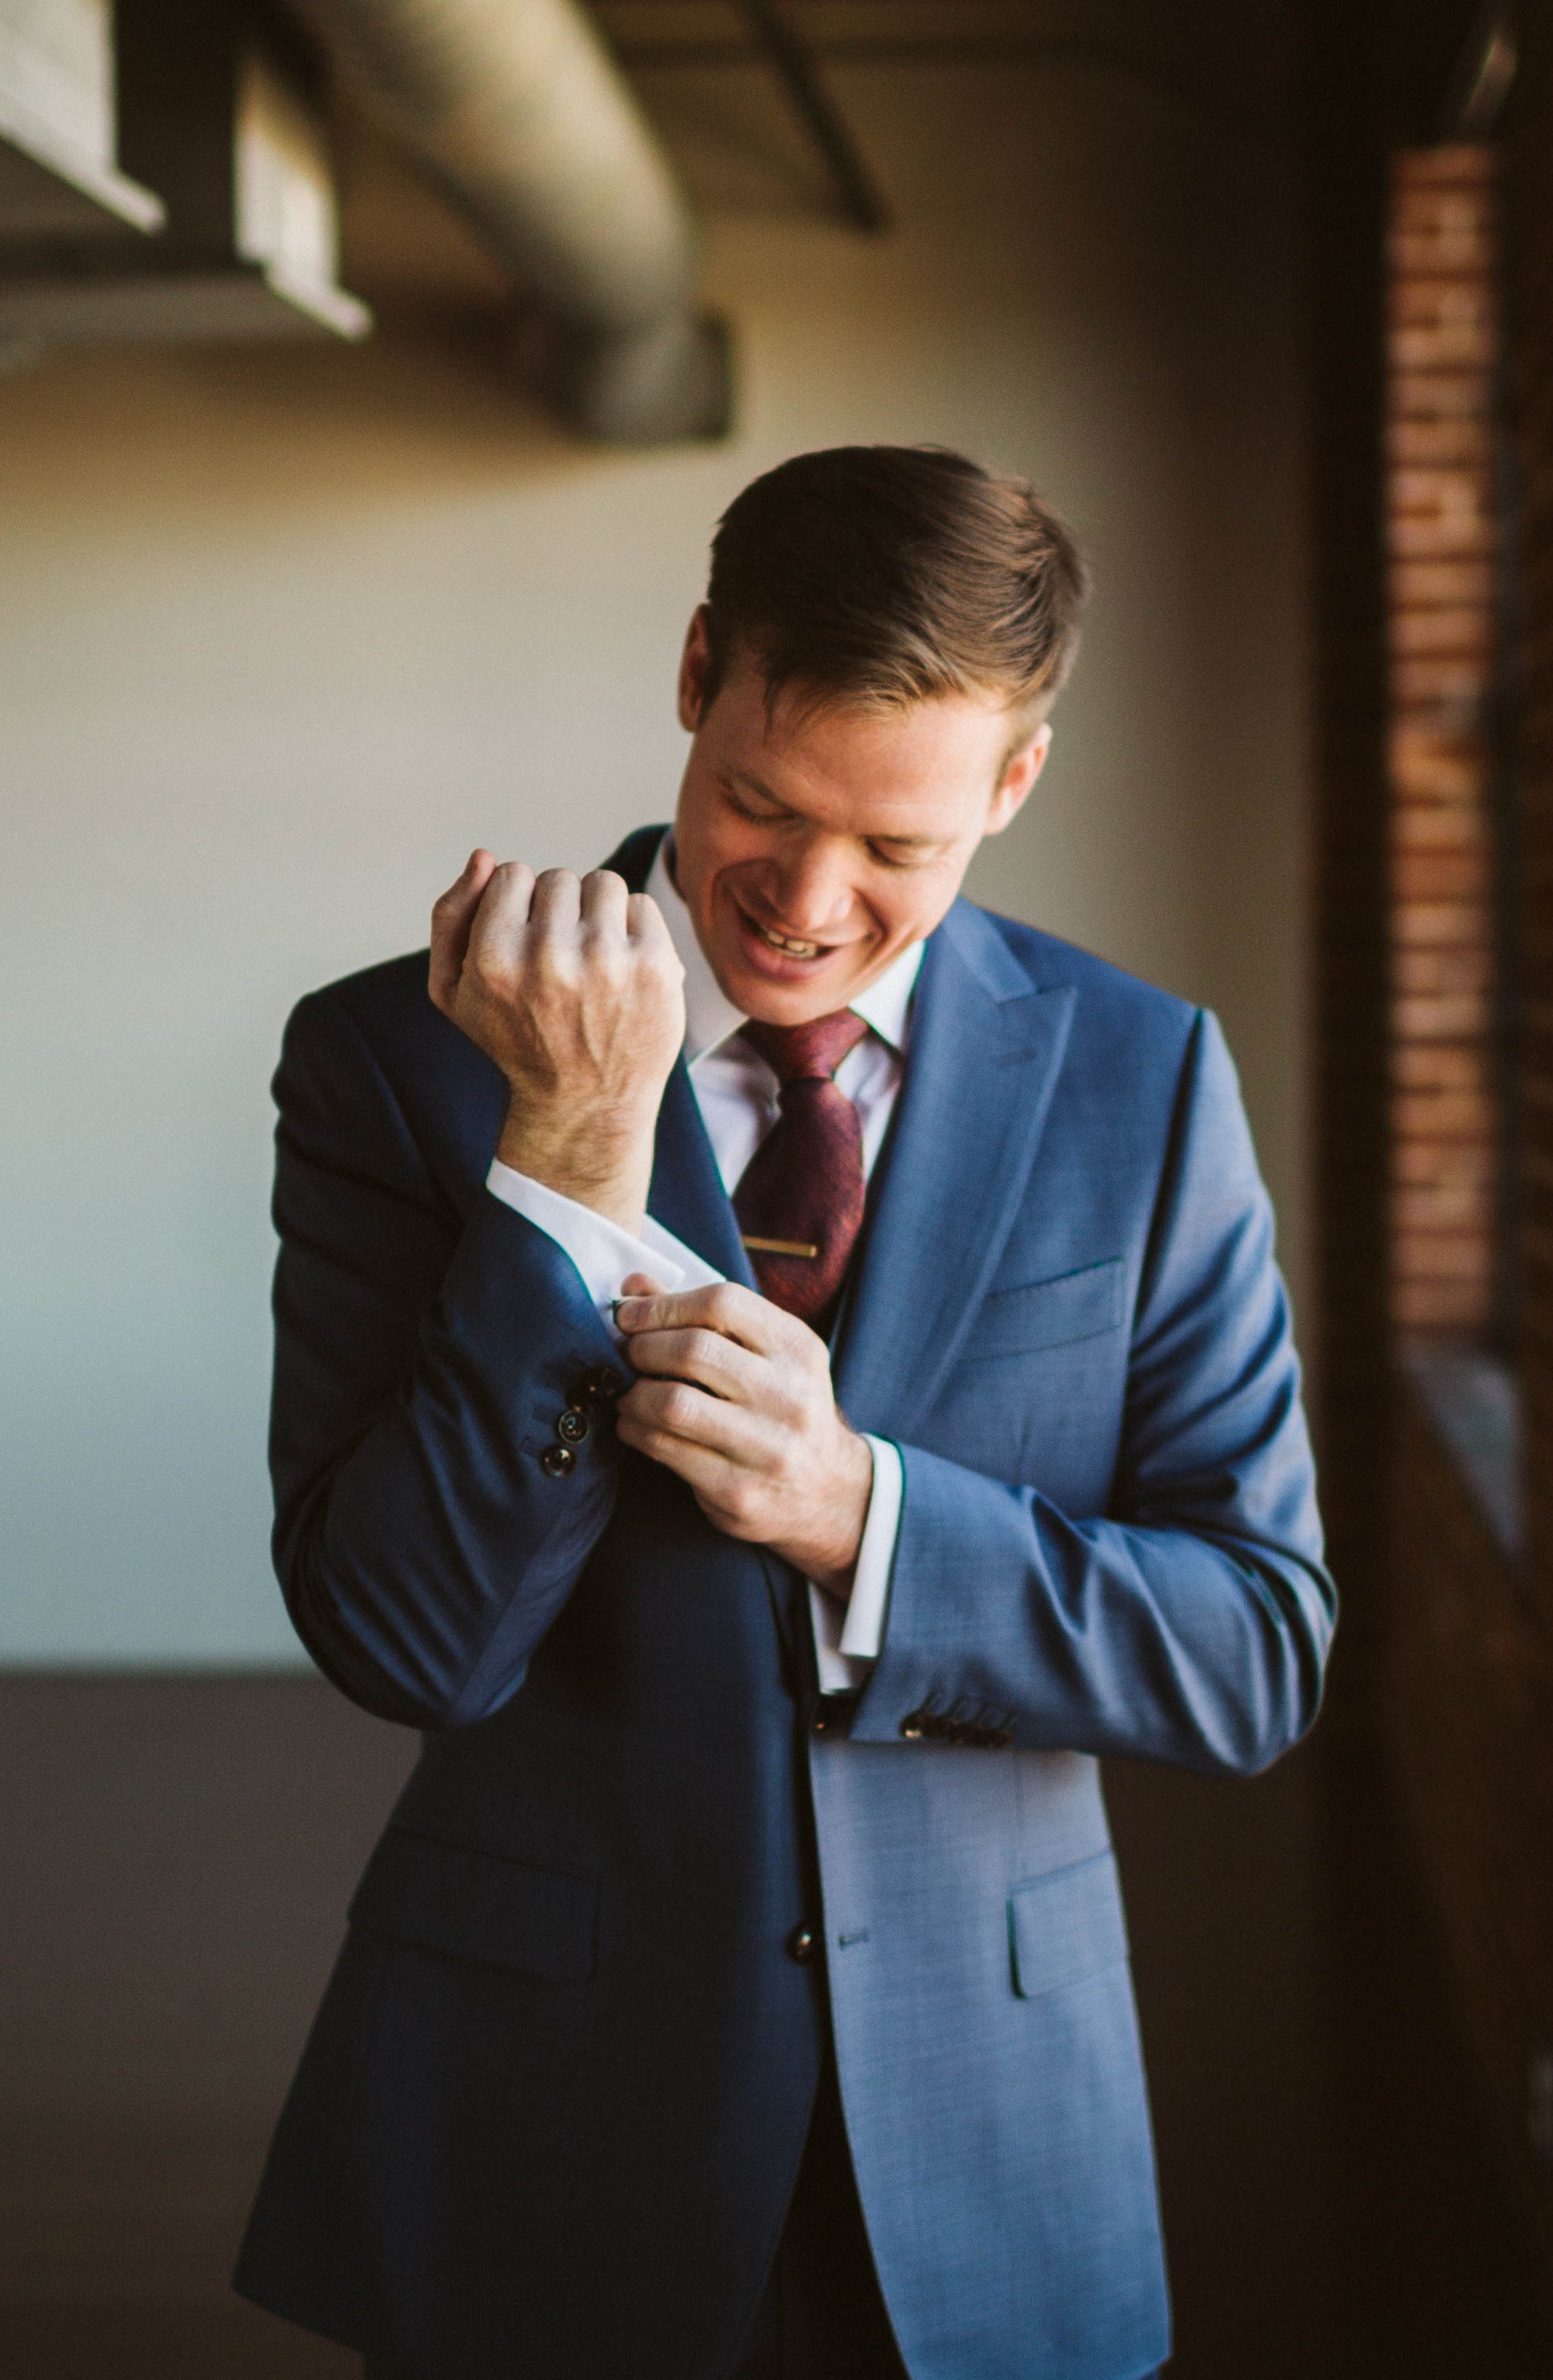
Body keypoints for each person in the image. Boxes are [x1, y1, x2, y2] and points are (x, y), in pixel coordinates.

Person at [234, 445, 1332, 2380]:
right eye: (758, 800)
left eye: (895, 845)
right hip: (546, 2104)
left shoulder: (1143, 1080)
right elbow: (401, 1639)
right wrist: (566, 1160)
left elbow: (1252, 1649)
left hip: (997, 2110)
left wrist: (862, 1518)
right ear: (692, 673)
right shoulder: (391, 1060)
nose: (808, 903)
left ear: (1012, 784)